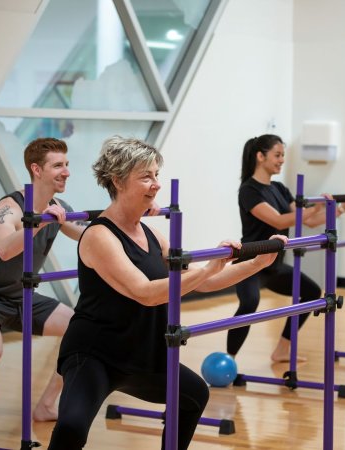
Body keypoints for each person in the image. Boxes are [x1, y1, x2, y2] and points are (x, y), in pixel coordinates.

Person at [48, 136, 284, 450]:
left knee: (194, 395)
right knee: (71, 427)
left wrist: (258, 263)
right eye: (146, 177)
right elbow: (144, 292)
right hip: (95, 355)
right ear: (118, 181)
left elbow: (203, 283)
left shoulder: (151, 234)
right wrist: (206, 269)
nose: (156, 184)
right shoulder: (99, 236)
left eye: (156, 175)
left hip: (141, 353)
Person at [0, 137, 86, 444]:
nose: (66, 172)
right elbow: (4, 249)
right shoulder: (8, 209)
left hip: (23, 296)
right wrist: (38, 224)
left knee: (82, 332)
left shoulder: (59, 208)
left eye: (67, 165)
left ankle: (45, 405)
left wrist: (132, 219)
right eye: (58, 166)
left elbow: (89, 236)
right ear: (36, 170)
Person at [231, 134, 345, 362]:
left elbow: (306, 220)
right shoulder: (249, 190)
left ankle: (282, 349)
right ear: (260, 156)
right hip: (250, 264)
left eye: (283, 156)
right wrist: (318, 205)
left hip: (274, 264)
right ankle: (228, 358)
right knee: (249, 303)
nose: (281, 160)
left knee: (311, 292)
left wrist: (340, 209)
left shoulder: (279, 188)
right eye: (277, 155)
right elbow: (280, 221)